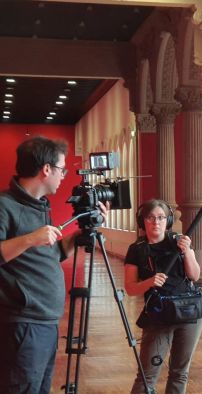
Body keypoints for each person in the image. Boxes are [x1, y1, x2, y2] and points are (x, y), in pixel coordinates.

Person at [0, 136, 108, 393]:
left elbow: (50, 254)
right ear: (46, 169)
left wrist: (81, 233)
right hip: (22, 323)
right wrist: (29, 239)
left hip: (46, 321)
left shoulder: (39, 207)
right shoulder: (4, 205)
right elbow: (27, 244)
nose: (63, 175)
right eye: (61, 168)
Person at [124, 199, 202, 394]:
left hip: (188, 314)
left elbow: (194, 275)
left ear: (167, 220)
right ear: (143, 221)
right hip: (158, 316)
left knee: (180, 372)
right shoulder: (137, 249)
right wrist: (149, 282)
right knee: (147, 375)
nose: (156, 222)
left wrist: (188, 252)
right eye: (150, 218)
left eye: (161, 217)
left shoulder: (179, 241)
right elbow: (131, 288)